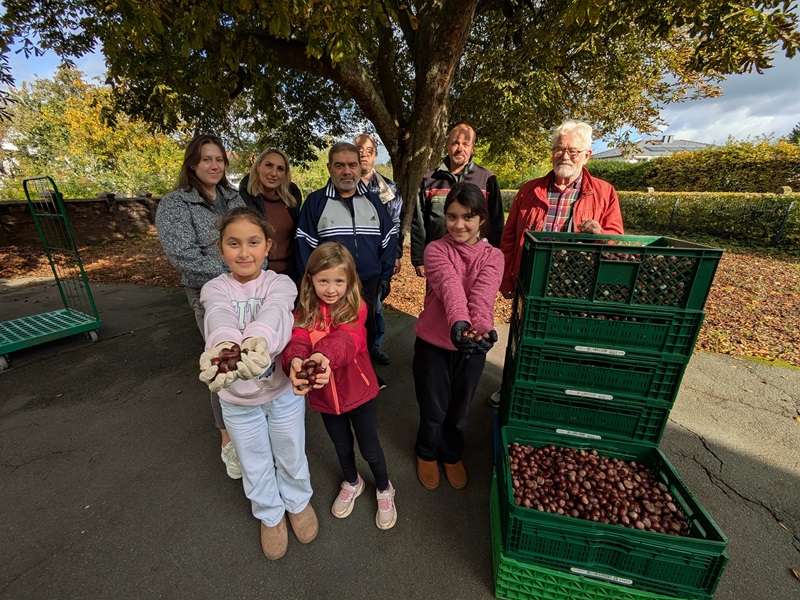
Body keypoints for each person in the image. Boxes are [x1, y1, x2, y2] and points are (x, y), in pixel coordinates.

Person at [198, 208, 317, 561]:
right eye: (234, 244)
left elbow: (277, 312)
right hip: (236, 399)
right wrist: (223, 347)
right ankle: (270, 514)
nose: (244, 252)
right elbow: (218, 315)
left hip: (282, 392)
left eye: (253, 243)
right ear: (221, 250)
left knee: (291, 451)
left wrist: (256, 342)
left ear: (268, 246)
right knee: (254, 459)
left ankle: (297, 502)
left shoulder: (281, 282)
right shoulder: (213, 287)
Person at [491, 119, 624, 408]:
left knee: (568, 343)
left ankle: (554, 397)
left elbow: (617, 240)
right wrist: (506, 279)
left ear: (587, 155)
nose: (565, 156)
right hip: (532, 281)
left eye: (573, 151)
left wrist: (600, 235)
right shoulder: (529, 191)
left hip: (580, 287)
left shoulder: (603, 192)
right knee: (523, 339)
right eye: (559, 149)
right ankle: (512, 389)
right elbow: (509, 239)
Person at [282, 242, 397, 530]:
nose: (331, 288)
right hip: (325, 399)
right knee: (341, 445)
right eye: (323, 281)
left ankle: (384, 488)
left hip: (359, 394)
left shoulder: (356, 307)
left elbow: (348, 339)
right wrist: (295, 361)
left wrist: (322, 355)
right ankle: (352, 481)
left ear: (350, 281)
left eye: (338, 281)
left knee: (370, 447)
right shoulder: (304, 311)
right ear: (310, 280)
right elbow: (296, 340)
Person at [155, 133, 246, 479]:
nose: (214, 165)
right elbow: (184, 257)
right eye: (206, 159)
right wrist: (235, 271)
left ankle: (252, 421)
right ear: (193, 163)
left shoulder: (234, 198)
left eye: (219, 159)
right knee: (223, 359)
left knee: (251, 354)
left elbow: (253, 241)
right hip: (208, 293)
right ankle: (227, 439)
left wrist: (255, 272)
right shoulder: (176, 204)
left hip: (247, 289)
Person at [413, 183, 504, 491]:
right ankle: (426, 452)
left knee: (460, 408)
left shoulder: (494, 256)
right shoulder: (436, 249)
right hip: (434, 344)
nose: (459, 224)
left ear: (481, 219)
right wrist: (459, 323)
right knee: (434, 407)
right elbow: (449, 287)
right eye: (452, 217)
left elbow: (483, 296)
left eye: (467, 217)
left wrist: (481, 328)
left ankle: (452, 454)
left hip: (471, 346)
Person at [295, 141, 398, 357]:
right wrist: (310, 284)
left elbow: (389, 238)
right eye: (340, 165)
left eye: (352, 165)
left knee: (365, 332)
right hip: (331, 285)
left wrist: (385, 275)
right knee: (332, 334)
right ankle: (334, 379)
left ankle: (364, 375)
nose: (347, 171)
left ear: (360, 167)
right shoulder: (316, 202)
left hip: (367, 282)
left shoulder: (373, 201)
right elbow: (305, 247)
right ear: (329, 167)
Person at [410, 123, 504, 277]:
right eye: (455, 143)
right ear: (447, 146)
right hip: (439, 260)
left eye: (465, 144)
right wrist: (419, 258)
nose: (460, 148)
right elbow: (418, 221)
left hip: (476, 263)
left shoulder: (487, 179)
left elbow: (496, 221)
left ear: (472, 147)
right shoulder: (429, 180)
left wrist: (492, 258)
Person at [353, 133, 403, 366]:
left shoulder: (388, 190)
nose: (363, 154)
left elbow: (395, 226)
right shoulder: (341, 184)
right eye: (358, 150)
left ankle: (375, 347)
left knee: (376, 307)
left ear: (375, 155)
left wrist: (395, 256)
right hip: (347, 263)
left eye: (368, 150)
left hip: (377, 260)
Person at [238, 148, 303, 280]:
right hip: (258, 276)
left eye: (280, 169)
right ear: (258, 167)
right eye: (269, 165)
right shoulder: (243, 200)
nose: (274, 173)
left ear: (285, 174)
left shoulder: (291, 201)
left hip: (291, 275)